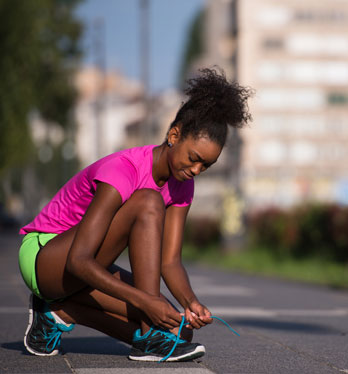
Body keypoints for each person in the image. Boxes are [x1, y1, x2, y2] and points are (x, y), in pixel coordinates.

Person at [17, 68, 253, 362]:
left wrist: (191, 302)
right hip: (46, 258)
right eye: (194, 158)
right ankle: (146, 338)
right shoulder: (123, 170)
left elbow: (170, 261)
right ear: (174, 135)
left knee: (178, 332)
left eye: (206, 166)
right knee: (148, 202)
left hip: (84, 265)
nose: (196, 170)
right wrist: (146, 302)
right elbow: (79, 260)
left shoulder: (183, 187)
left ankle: (58, 313)